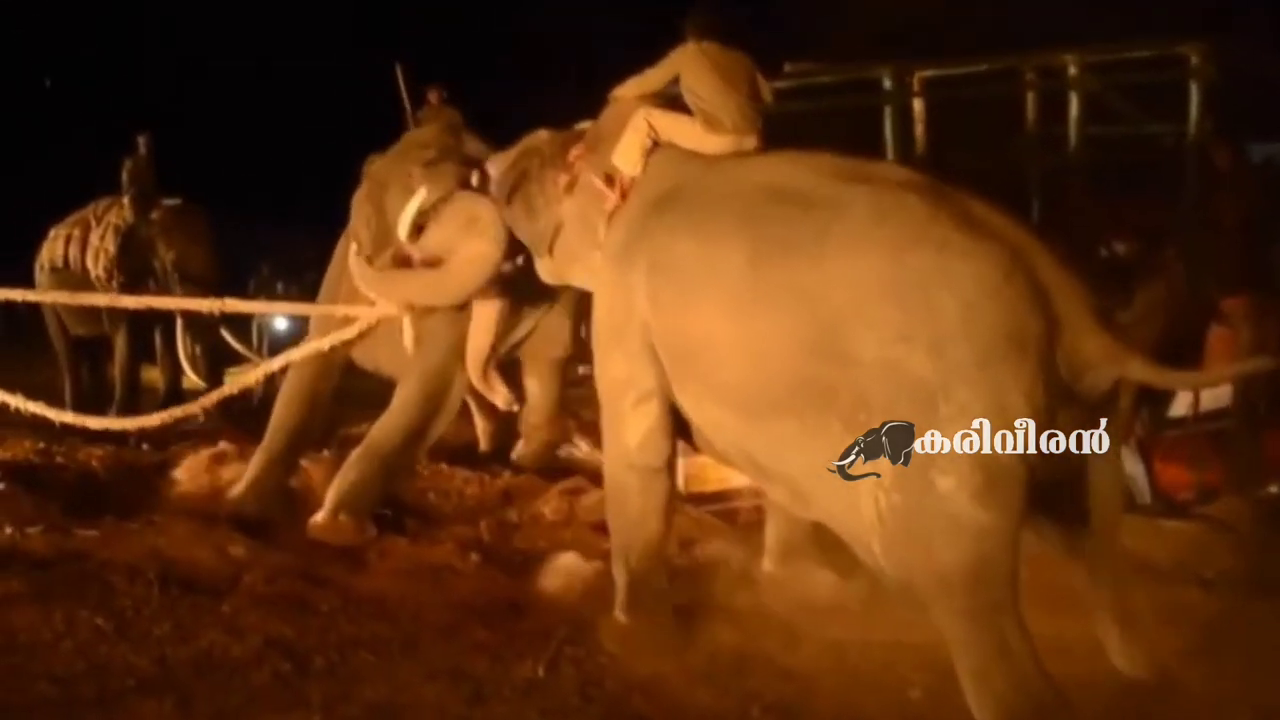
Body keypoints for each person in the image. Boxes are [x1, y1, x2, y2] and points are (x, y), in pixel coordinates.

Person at [594, 5, 774, 210]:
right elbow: (767, 97)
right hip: (753, 139)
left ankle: (621, 186)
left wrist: (617, 93)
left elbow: (648, 81)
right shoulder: (741, 58)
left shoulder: (689, 52)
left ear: (692, 33)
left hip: (721, 138)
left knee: (645, 118)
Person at [414, 83, 491, 160]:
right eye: (431, 94)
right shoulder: (422, 114)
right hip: (430, 145)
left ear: (441, 96)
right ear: (427, 96)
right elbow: (418, 130)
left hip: (451, 142)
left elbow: (459, 127)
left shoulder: (451, 112)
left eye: (436, 94)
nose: (434, 97)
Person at [121, 131, 159, 218]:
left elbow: (151, 186)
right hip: (134, 198)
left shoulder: (150, 165)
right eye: (144, 145)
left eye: (148, 145)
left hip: (147, 199)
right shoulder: (131, 163)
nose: (147, 148)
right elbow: (127, 187)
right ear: (139, 145)